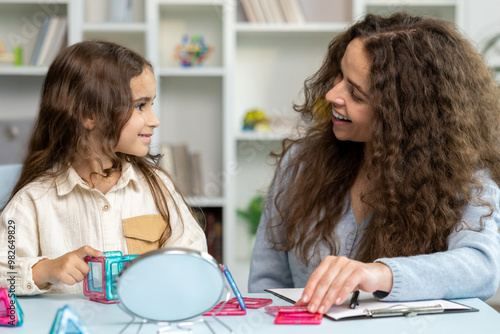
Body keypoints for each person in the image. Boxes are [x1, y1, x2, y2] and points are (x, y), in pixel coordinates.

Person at [248, 12, 500, 314]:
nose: (331, 94)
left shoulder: (467, 177)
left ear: (403, 117)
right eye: (339, 75)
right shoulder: (299, 163)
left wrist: (378, 274)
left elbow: (480, 268)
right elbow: (266, 285)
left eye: (355, 93)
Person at [0, 40, 207, 295]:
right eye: (140, 106)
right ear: (89, 114)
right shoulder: (31, 201)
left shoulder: (158, 187)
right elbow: (3, 271)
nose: (155, 120)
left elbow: (196, 257)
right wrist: (44, 270)